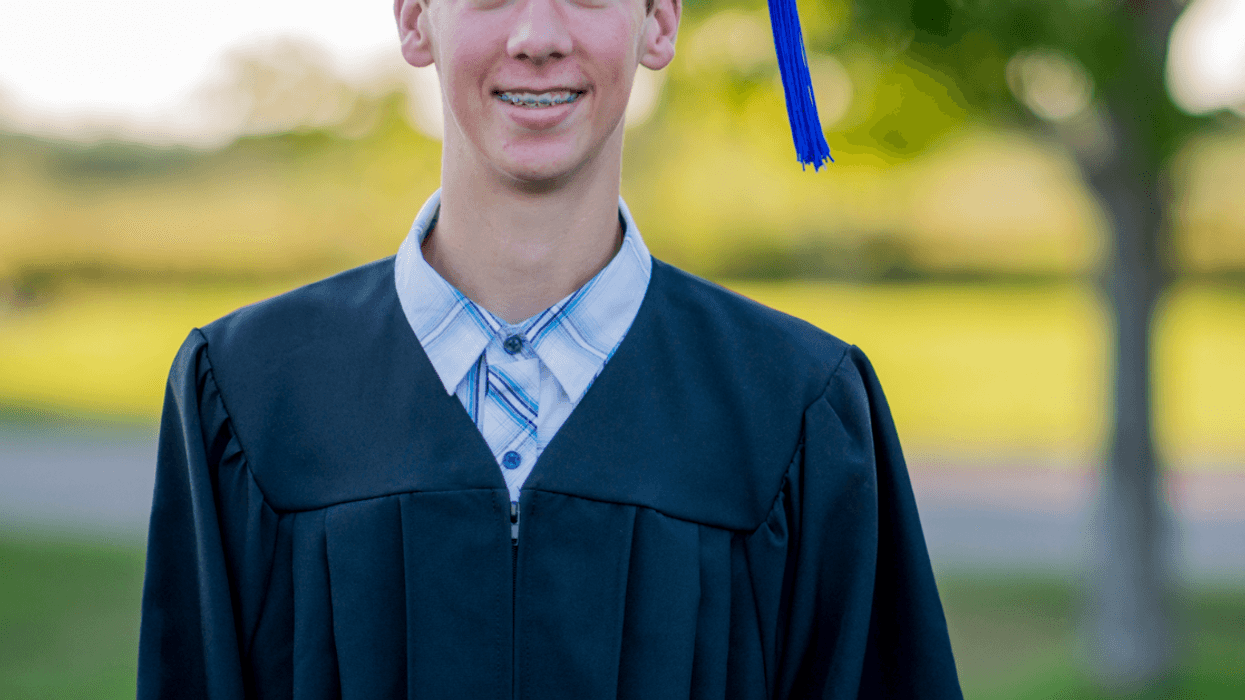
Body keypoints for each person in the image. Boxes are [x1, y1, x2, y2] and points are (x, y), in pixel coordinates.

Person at [137, 0, 962, 697]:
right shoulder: (247, 396)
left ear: (660, 22)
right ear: (415, 18)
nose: (537, 35)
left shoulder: (798, 412)